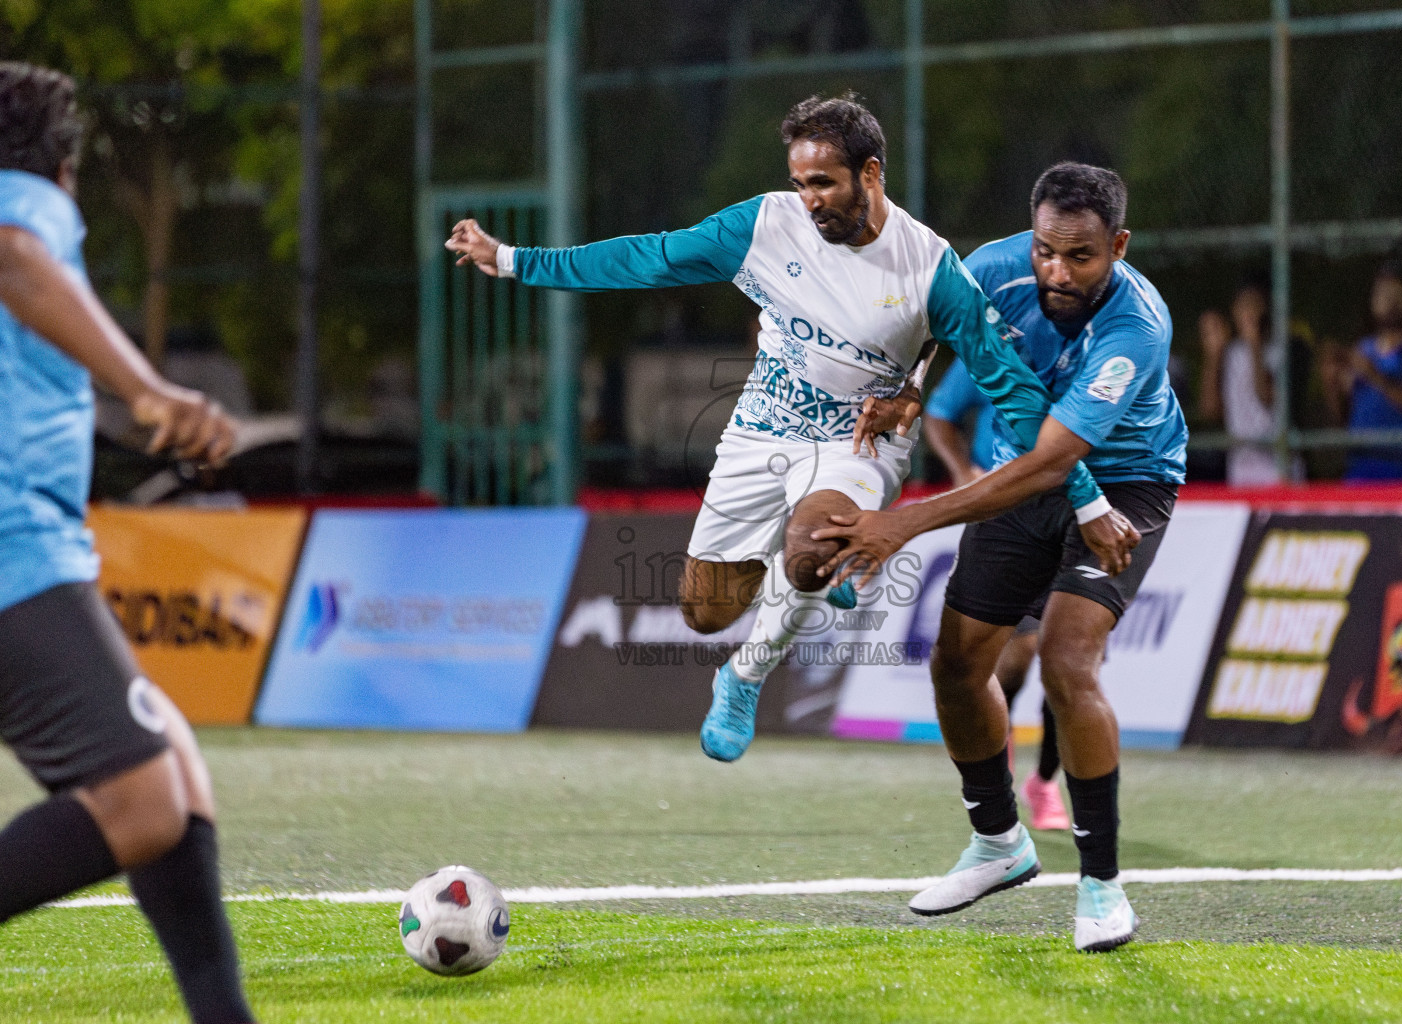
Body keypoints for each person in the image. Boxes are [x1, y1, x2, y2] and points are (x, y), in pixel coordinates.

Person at [446, 95, 1138, 765]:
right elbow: (648, 257)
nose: (810, 198)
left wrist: (1088, 497)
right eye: (800, 182)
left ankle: (747, 675)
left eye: (824, 182)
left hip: (858, 444)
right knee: (704, 613)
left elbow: (1014, 392)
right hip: (760, 433)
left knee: (812, 548)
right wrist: (513, 260)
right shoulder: (764, 226)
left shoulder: (929, 268)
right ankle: (802, 578)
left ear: (870, 173)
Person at [813, 162, 1186, 952]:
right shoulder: (994, 266)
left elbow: (1058, 463)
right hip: (1023, 474)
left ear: (1117, 245)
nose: (1056, 270)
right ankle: (997, 843)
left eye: (1080, 256)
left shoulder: (1136, 327)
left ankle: (1102, 888)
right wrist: (914, 391)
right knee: (955, 665)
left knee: (1065, 658)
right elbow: (936, 326)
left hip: (1125, 484)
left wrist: (902, 524)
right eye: (1046, 250)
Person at [0, 63, 255, 1023]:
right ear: (62, 172)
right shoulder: (23, 200)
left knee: (178, 784)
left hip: (34, 547)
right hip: (11, 549)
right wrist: (146, 386)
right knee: (144, 801)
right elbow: (13, 254)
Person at [924, 361, 1069, 831]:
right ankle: (996, 739)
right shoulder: (993, 347)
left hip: (1077, 509)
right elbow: (938, 413)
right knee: (1021, 651)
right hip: (1006, 515)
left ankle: (1044, 782)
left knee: (1069, 659)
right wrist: (964, 471)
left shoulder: (1094, 347)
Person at [1322, 262, 1402, 480]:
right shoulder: (1364, 348)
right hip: (1359, 469)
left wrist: (1377, 378)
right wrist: (1331, 383)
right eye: (1381, 292)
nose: (1388, 300)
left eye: (1395, 293)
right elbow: (1343, 419)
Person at [1197, 277, 1305, 485]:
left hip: (1278, 469)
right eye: (1243, 305)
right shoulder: (1229, 354)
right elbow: (1209, 411)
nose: (1249, 312)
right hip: (1242, 471)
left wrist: (1254, 342)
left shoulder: (1280, 351)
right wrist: (1212, 357)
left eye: (1255, 304)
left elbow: (1266, 397)